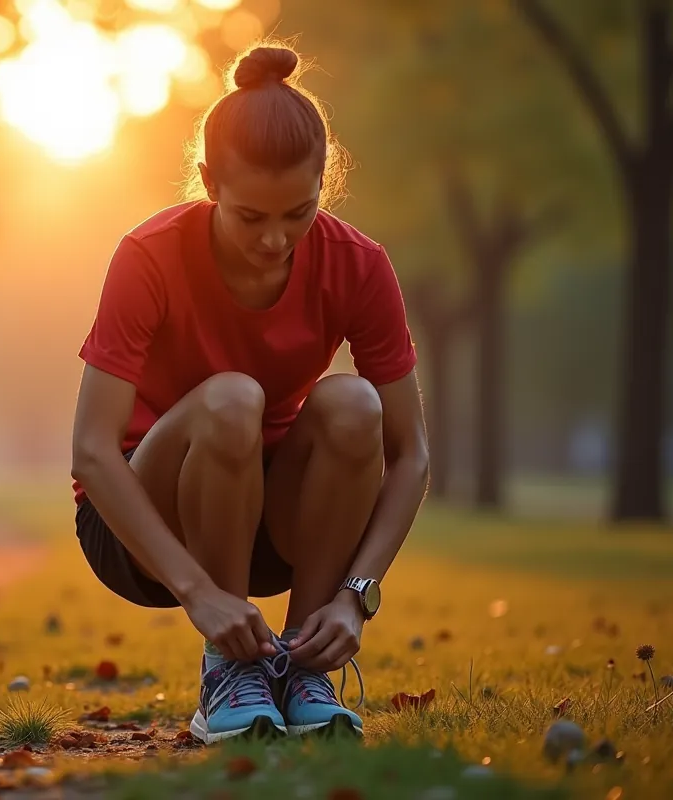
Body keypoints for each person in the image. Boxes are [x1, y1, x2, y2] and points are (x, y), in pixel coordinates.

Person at [69, 41, 430, 744]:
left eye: (298, 214)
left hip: (271, 521)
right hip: (143, 529)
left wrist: (356, 598)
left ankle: (300, 669)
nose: (275, 241)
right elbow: (91, 449)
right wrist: (200, 593)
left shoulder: (359, 265)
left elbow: (411, 453)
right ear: (208, 183)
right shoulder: (149, 256)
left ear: (326, 181)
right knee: (232, 397)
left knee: (355, 403)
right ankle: (225, 673)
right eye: (250, 218)